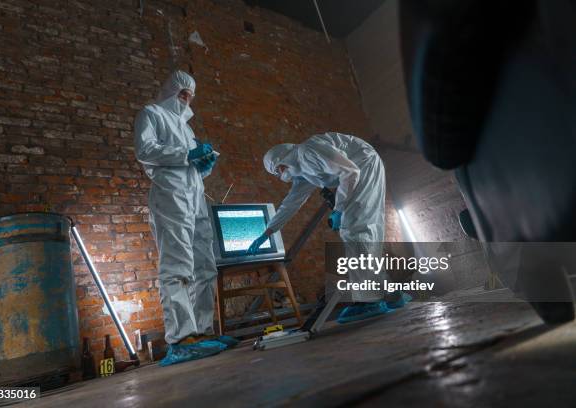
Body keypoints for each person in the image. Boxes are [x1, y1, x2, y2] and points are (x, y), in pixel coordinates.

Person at [247, 132, 410, 323]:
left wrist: (339, 209)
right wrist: (267, 233)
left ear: (280, 162)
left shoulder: (308, 151)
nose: (280, 176)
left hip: (364, 164)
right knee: (356, 231)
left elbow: (350, 171)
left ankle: (370, 300)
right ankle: (391, 295)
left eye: (277, 171)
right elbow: (290, 204)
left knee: (355, 230)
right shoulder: (302, 172)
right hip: (362, 167)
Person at [134, 70, 234, 365]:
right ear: (170, 90)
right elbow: (145, 149)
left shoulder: (186, 127)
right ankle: (181, 338)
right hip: (171, 194)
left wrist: (203, 164)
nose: (186, 99)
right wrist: (187, 155)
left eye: (190, 95)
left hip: (195, 195)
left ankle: (203, 332)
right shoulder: (151, 113)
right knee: (177, 264)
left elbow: (192, 161)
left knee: (205, 264)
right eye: (182, 93)